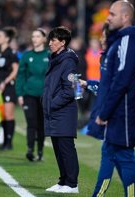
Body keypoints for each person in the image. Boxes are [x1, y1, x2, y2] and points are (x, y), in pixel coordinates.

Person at [89, 0, 135, 197]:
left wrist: (105, 112)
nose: (108, 17)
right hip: (119, 109)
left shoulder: (128, 41)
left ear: (125, 17)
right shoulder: (121, 41)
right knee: (111, 152)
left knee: (124, 156)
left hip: (122, 109)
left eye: (112, 14)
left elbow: (121, 80)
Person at [42, 26, 79, 194]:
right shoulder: (56, 59)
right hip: (56, 111)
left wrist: (52, 104)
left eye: (53, 40)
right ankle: (63, 181)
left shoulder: (68, 61)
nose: (50, 43)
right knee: (58, 148)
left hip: (64, 111)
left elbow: (70, 90)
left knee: (66, 148)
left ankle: (72, 184)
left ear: (62, 43)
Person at [15, 28, 49, 161]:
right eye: (33, 36)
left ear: (44, 39)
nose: (34, 39)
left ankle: (40, 150)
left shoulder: (50, 55)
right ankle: (30, 149)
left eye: (38, 36)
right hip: (29, 94)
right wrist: (19, 94)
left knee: (41, 125)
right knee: (31, 123)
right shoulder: (26, 55)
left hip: (44, 96)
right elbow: (20, 76)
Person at [0, 26, 19, 150]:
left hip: (8, 87)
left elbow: (15, 70)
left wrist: (5, 82)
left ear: (6, 39)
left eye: (0, 36)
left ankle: (9, 142)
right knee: (1, 114)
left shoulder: (11, 53)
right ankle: (4, 142)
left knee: (8, 115)